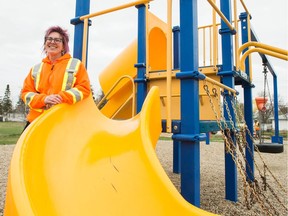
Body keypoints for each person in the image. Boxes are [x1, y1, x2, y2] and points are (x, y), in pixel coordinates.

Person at [21, 26, 91, 130]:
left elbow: (84, 88)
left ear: (64, 46)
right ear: (45, 44)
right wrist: (44, 99)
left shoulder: (76, 65)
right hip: (36, 121)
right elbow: (26, 93)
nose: (52, 42)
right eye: (49, 39)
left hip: (63, 122)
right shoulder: (36, 69)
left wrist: (60, 98)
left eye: (57, 40)